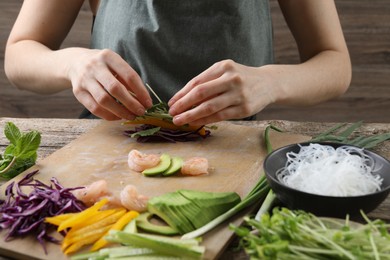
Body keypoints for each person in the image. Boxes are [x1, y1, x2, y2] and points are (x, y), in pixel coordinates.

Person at [4, 0, 351, 126]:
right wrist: (72, 64)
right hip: (111, 142)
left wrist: (272, 82)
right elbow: (19, 55)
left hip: (233, 148)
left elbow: (335, 64)